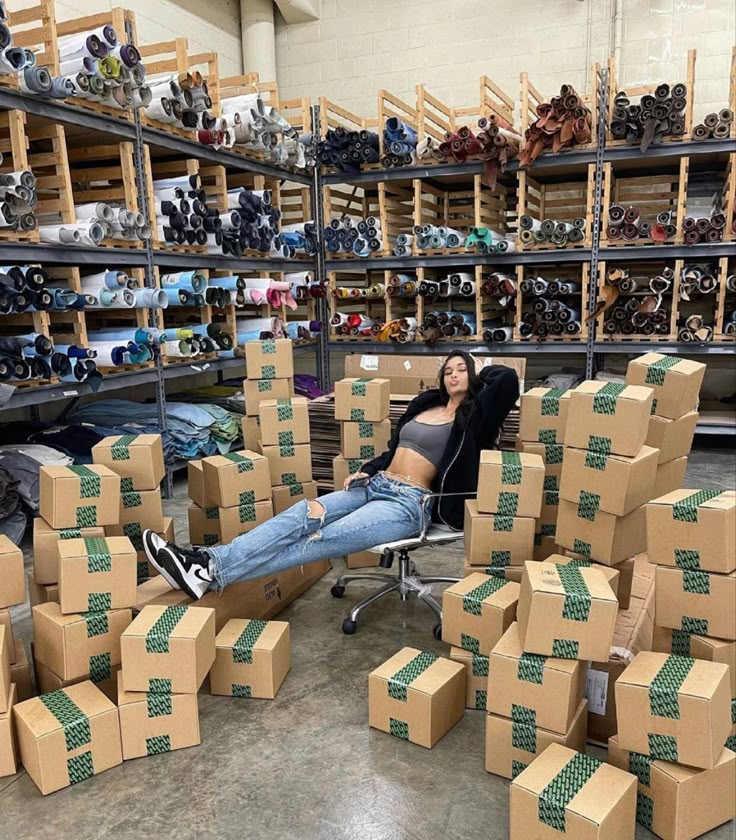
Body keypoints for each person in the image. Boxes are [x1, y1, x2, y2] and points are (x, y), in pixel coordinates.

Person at [142, 351, 519, 600]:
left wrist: (478, 375)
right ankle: (205, 563)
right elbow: (393, 452)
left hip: (411, 503)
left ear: (472, 376)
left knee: (320, 539)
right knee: (300, 515)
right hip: (375, 486)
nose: (453, 374)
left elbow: (506, 380)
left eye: (460, 369)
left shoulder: (473, 419)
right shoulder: (425, 408)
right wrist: (368, 470)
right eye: (448, 370)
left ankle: (208, 569)